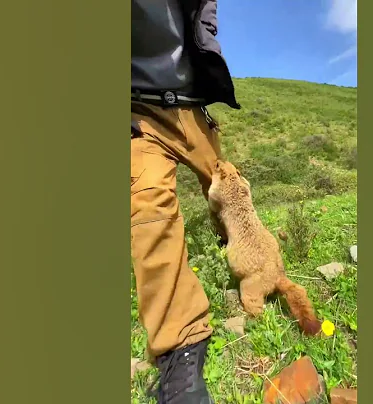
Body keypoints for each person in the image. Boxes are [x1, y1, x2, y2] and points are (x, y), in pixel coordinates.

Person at [131, 0, 240, 402]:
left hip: (192, 106)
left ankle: (249, 258)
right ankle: (181, 346)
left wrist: (208, 42)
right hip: (137, 111)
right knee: (149, 211)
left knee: (233, 193)